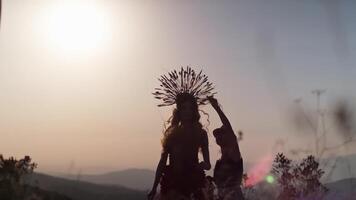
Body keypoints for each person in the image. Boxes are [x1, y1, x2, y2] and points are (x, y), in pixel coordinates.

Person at [149, 67, 215, 200]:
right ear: (179, 110)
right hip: (173, 183)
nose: (187, 111)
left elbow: (208, 165)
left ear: (194, 110)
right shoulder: (171, 134)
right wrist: (154, 187)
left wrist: (202, 165)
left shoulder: (201, 134)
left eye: (190, 108)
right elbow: (162, 162)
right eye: (184, 108)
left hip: (193, 182)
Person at [208, 96, 244, 200]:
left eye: (221, 134)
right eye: (217, 135)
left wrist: (216, 108)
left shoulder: (233, 151)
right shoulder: (222, 157)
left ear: (229, 136)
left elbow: (227, 125)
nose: (218, 137)